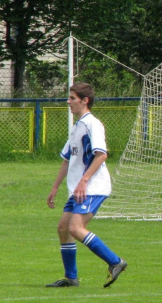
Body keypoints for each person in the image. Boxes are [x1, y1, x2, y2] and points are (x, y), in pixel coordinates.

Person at [46, 82, 127, 288]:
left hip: (92, 187)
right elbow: (67, 160)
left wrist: (84, 181)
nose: (68, 102)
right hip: (79, 189)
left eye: (72, 98)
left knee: (76, 227)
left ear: (85, 101)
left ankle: (116, 262)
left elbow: (102, 154)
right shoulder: (77, 126)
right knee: (64, 228)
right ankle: (71, 278)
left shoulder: (93, 124)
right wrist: (55, 187)